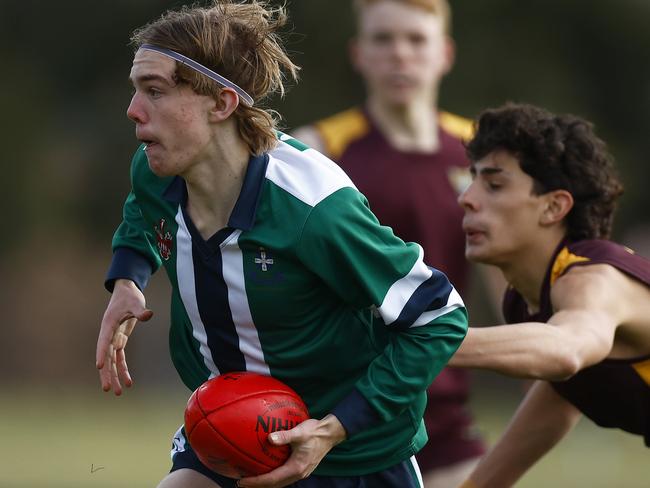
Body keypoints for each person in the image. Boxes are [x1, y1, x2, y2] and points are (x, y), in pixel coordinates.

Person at [94, 2, 469, 488]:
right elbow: (141, 211)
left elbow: (439, 317)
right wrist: (128, 279)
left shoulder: (313, 209)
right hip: (232, 431)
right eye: (135, 89)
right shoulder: (155, 168)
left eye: (156, 91)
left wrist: (333, 429)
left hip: (355, 456)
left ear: (223, 104)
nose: (133, 110)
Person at [292, 1, 491, 485]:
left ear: (444, 53)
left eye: (416, 40)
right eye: (383, 40)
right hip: (335, 412)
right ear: (358, 54)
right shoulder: (314, 152)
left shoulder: (483, 156)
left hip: (443, 416)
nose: (400, 54)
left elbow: (516, 292)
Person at [449, 102, 650, 487]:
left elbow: (565, 349)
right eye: (471, 180)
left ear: (554, 206)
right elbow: (560, 399)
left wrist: (423, 341)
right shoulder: (527, 301)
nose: (466, 198)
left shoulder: (592, 279)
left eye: (493, 185)